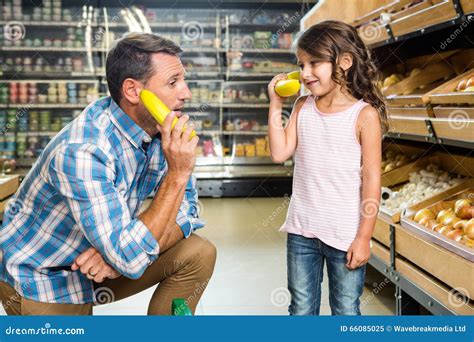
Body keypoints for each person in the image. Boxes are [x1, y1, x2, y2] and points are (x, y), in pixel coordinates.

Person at [0, 33, 216, 315]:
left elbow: (187, 212)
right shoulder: (84, 149)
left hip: (104, 260)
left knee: (198, 253)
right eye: (173, 82)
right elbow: (131, 252)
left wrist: (116, 257)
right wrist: (177, 172)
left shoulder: (162, 131)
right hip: (45, 274)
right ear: (133, 91)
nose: (186, 93)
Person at [268, 20, 387, 315]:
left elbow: (372, 180)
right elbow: (279, 152)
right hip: (302, 231)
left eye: (314, 63)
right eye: (301, 64)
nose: (305, 73)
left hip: (345, 234)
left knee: (346, 310)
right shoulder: (301, 106)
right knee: (301, 309)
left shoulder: (364, 116)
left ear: (344, 62)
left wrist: (364, 237)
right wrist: (274, 105)